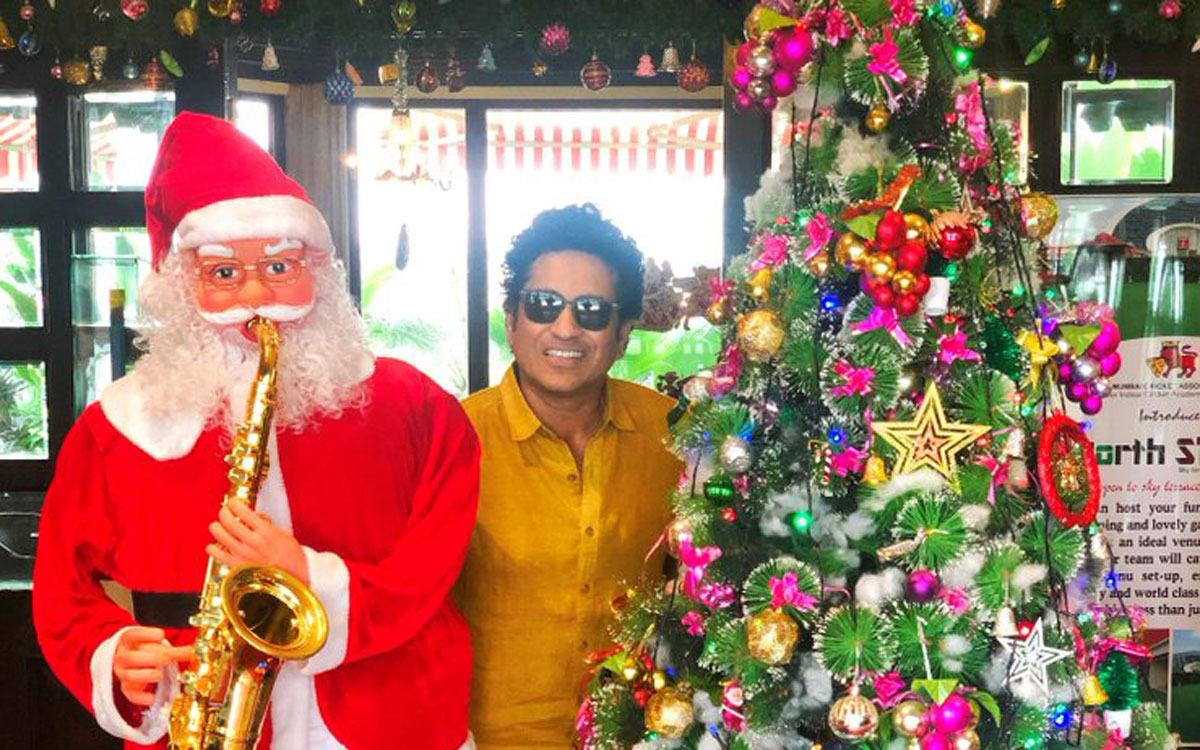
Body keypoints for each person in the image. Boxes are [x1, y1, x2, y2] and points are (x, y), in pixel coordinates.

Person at [32, 112, 479, 750]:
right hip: (199, 716)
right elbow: (62, 593)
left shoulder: (417, 407)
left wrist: (311, 580)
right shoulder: (116, 427)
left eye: (279, 268)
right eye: (222, 273)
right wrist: (113, 653)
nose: (254, 295)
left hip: (391, 719)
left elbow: (430, 568)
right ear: (180, 287)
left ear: (318, 269)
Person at [458, 205, 684, 749]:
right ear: (511, 321)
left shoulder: (673, 434)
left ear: (623, 335)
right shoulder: (454, 439)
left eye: (592, 311)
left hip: (638, 734)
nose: (565, 327)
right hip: (485, 737)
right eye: (543, 305)